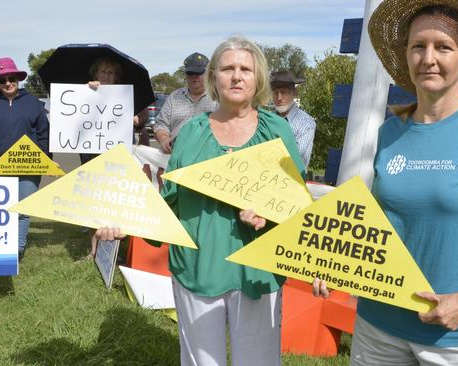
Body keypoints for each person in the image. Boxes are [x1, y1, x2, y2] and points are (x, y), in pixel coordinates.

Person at [312, 1, 458, 364]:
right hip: (379, 325)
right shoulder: (390, 133)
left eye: (444, 47)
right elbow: (380, 218)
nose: (428, 58)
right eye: (418, 46)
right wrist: (335, 260)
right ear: (405, 55)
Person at [96, 36, 305, 365]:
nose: (236, 76)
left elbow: (300, 207)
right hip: (197, 268)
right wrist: (126, 222)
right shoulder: (192, 132)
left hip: (257, 273)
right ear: (214, 78)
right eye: (227, 68)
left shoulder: (278, 131)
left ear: (259, 78)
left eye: (245, 69)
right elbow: (169, 204)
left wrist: (271, 217)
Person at [0, 57, 50, 261]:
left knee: (22, 210)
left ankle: (16, 251)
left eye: (11, 78)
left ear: (18, 78)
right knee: (0, 211)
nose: (7, 82)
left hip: (29, 169)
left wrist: (46, 159)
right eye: (2, 79)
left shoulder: (33, 103)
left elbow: (44, 134)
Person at [81, 57, 150, 260]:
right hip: (93, 155)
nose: (107, 76)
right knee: (95, 204)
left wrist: (137, 119)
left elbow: (143, 117)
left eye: (111, 73)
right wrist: (88, 90)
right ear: (95, 74)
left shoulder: (127, 94)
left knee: (115, 204)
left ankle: (114, 252)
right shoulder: (88, 91)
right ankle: (94, 251)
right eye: (103, 72)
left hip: (121, 157)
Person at [153, 52, 219, 153]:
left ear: (208, 74)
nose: (194, 77)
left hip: (208, 156)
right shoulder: (174, 97)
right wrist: (163, 139)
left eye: (198, 73)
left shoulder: (218, 98)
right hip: (175, 155)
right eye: (190, 73)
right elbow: (161, 124)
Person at [270, 70, 316, 168]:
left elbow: (294, 154)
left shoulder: (306, 123)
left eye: (283, 92)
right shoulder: (267, 119)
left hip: (293, 179)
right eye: (275, 93)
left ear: (294, 93)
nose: (279, 98)